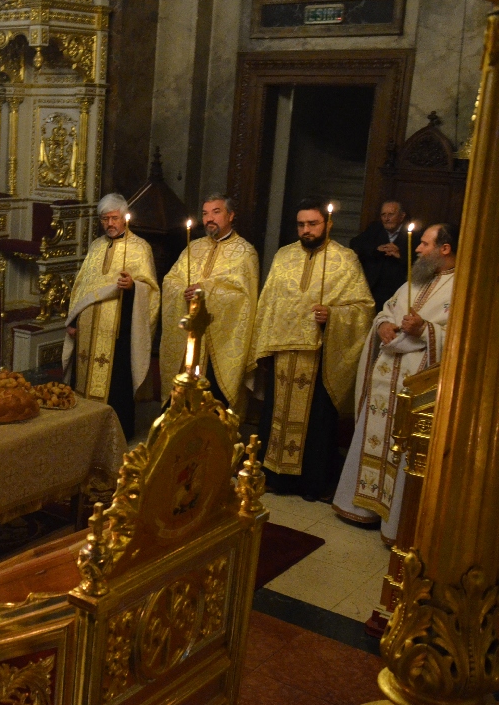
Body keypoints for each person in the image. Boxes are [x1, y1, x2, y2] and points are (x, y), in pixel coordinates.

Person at [332, 223, 457, 539]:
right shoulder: (415, 282)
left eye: (425, 244)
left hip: (415, 383)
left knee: (403, 451)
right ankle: (362, 507)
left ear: (445, 249)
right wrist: (384, 326)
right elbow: (387, 310)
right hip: (385, 380)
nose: (417, 249)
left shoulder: (462, 288)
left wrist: (426, 329)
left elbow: (459, 338)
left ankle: (394, 522)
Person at [252, 198, 374, 501]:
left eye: (313, 224)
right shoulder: (283, 256)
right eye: (301, 224)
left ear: (327, 224)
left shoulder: (346, 259)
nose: (306, 230)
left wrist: (333, 316)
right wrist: (262, 346)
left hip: (319, 355)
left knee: (315, 423)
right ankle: (274, 478)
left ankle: (310, 483)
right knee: (276, 417)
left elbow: (363, 307)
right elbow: (267, 302)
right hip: (282, 353)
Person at [62, 194, 160, 440]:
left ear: (124, 219)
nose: (109, 224)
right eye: (104, 219)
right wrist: (73, 320)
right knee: (82, 381)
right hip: (87, 333)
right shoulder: (96, 246)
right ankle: (84, 430)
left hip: (119, 333)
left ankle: (114, 435)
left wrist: (133, 286)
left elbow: (151, 289)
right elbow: (82, 286)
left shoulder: (140, 248)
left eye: (114, 218)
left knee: (116, 386)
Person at [159, 194, 259, 415]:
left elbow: (244, 300)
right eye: (205, 213)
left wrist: (207, 292)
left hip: (218, 345)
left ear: (231, 216)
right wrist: (183, 292)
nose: (209, 218)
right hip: (188, 339)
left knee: (211, 404)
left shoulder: (245, 253)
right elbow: (170, 280)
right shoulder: (193, 247)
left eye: (216, 212)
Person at [350, 200, 413, 312]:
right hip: (373, 287)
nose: (386, 218)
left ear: (402, 216)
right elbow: (355, 244)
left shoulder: (413, 233)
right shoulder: (375, 228)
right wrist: (376, 249)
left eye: (391, 214)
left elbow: (419, 260)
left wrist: (400, 254)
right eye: (383, 215)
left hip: (399, 289)